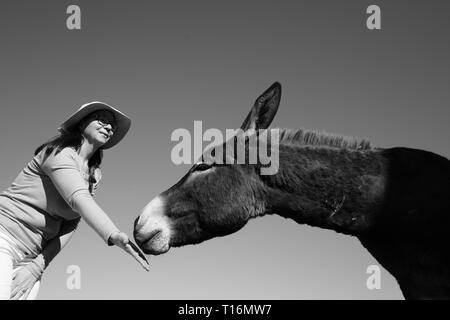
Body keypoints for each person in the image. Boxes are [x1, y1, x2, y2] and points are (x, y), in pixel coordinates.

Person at [0, 101, 149, 300]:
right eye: (102, 119)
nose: (109, 126)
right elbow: (78, 199)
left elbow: (70, 224)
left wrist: (37, 267)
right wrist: (113, 234)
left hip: (30, 257)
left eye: (112, 124)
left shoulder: (94, 176)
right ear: (81, 124)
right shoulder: (58, 154)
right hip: (4, 237)